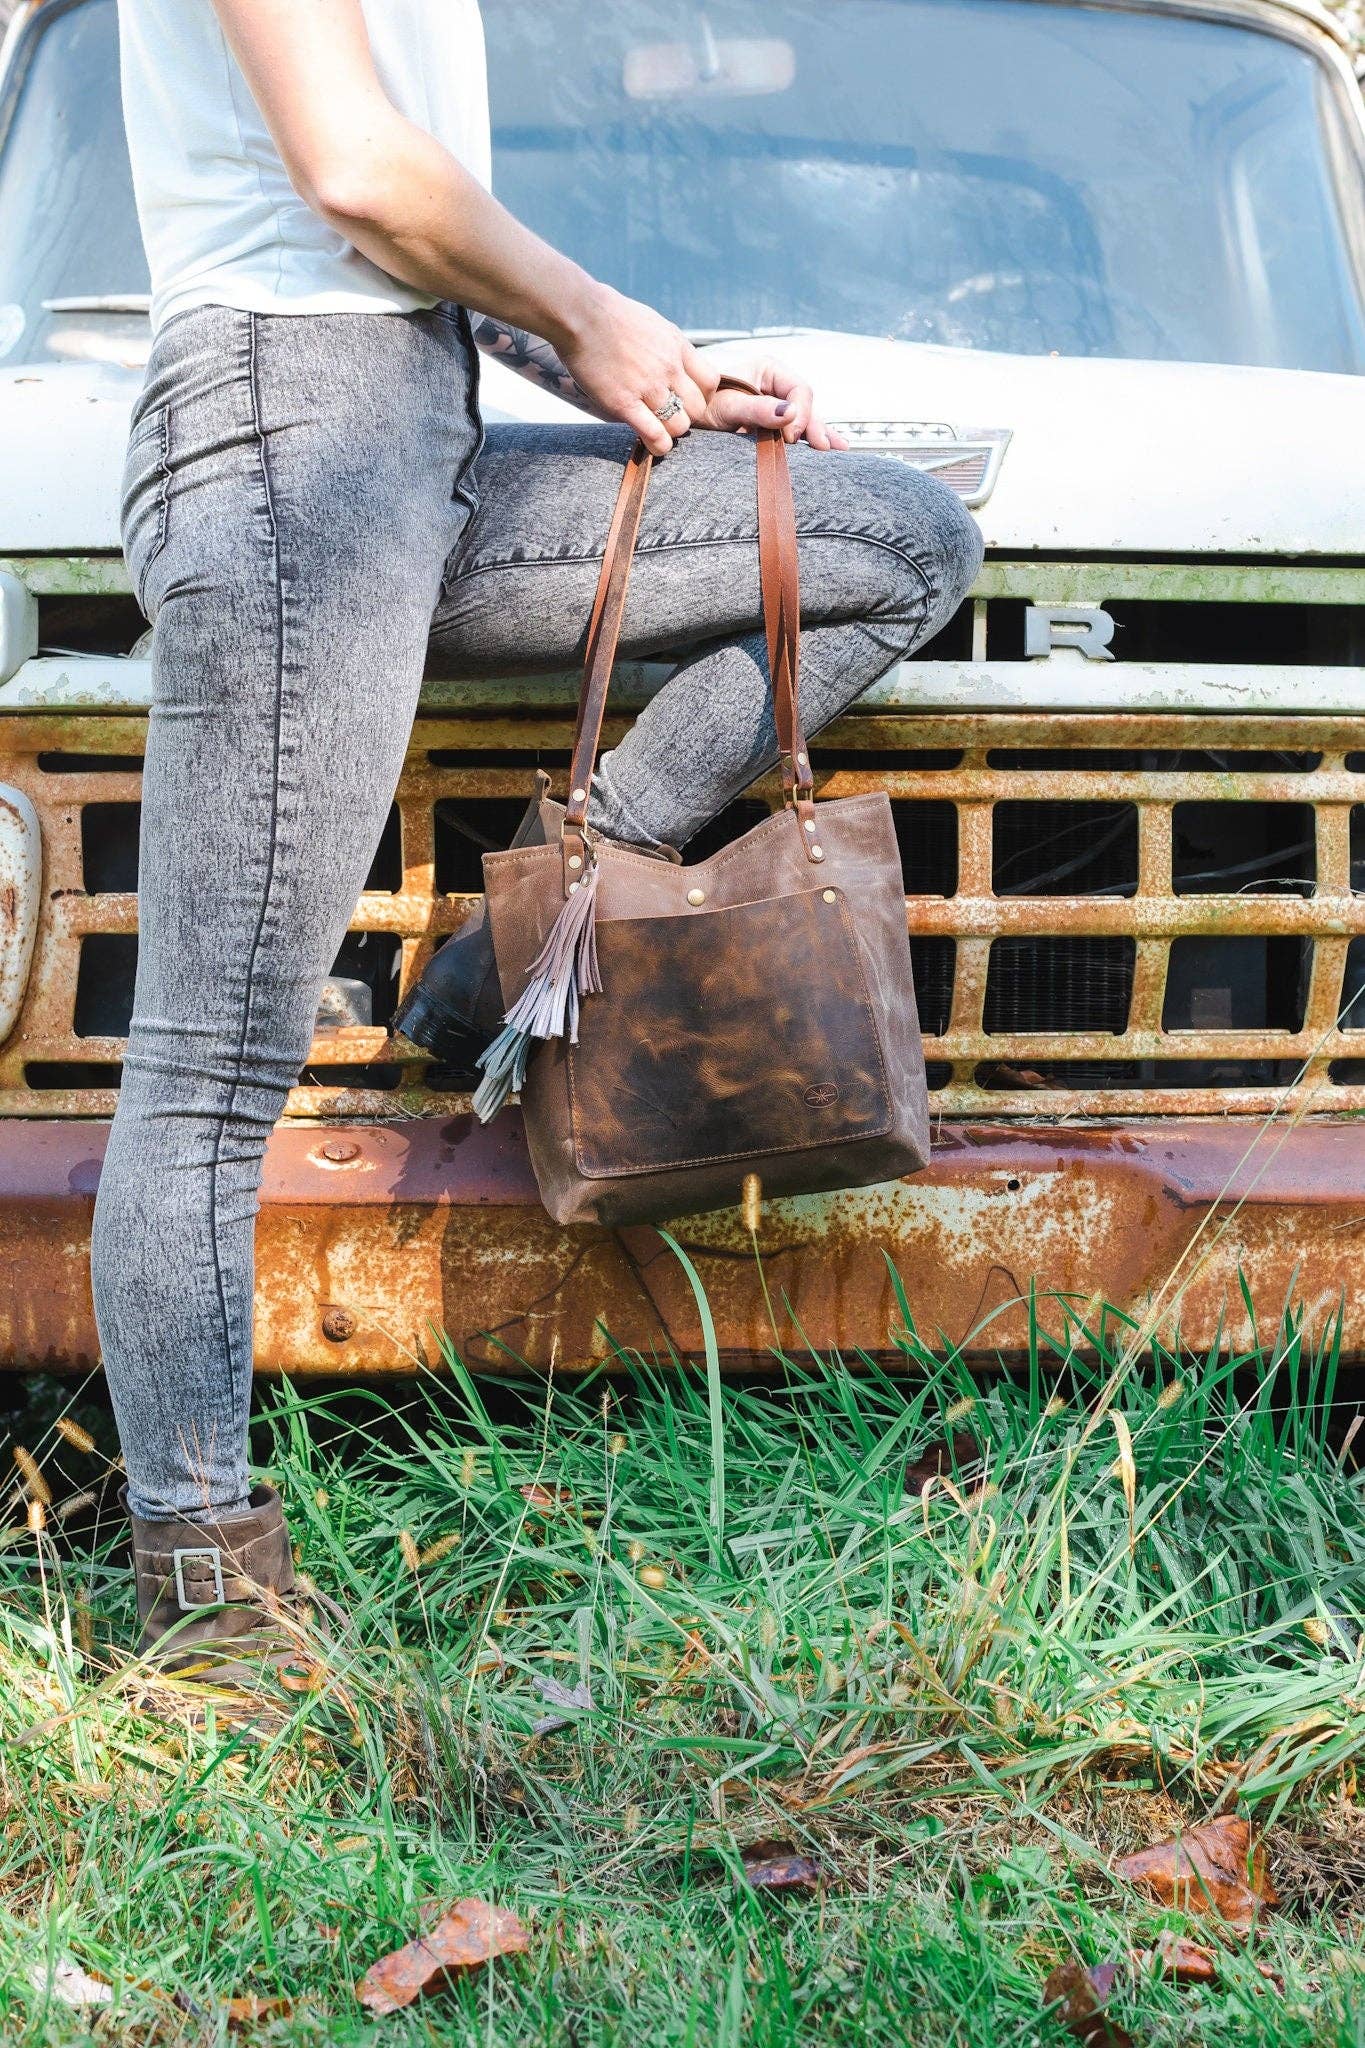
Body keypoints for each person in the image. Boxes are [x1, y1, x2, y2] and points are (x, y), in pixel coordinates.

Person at [96, 0, 984, 1683]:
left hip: (421, 421)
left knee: (886, 535)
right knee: (212, 1062)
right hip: (287, 442)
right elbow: (352, 177)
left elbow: (394, 243)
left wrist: (622, 361)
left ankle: (531, 932)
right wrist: (592, 314)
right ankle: (209, 1614)